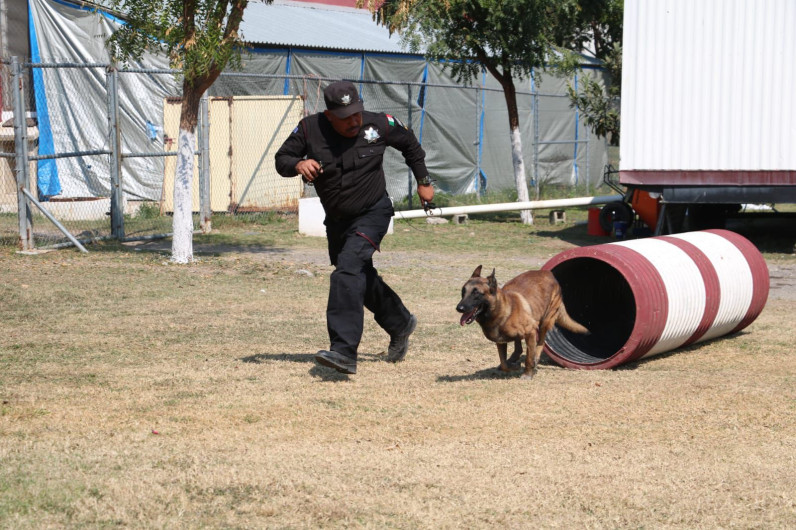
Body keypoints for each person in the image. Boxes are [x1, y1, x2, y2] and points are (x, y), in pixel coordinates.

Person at [274, 80, 435, 375]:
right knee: (359, 276)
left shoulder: (379, 123)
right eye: (346, 117)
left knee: (348, 269)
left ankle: (344, 351)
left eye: (357, 114)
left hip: (374, 211)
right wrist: (299, 164)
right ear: (329, 114)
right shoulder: (310, 129)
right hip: (338, 220)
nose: (354, 121)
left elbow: (410, 144)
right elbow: (281, 160)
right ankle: (400, 322)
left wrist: (424, 182)